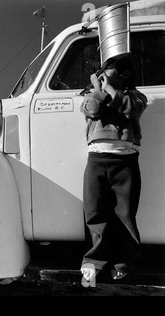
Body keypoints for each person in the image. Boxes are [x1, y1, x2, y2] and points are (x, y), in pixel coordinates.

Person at [79, 55, 147, 286]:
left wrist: (110, 88)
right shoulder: (91, 94)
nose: (113, 75)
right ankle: (93, 263)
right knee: (94, 212)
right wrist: (99, 88)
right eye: (109, 70)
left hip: (125, 160)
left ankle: (123, 263)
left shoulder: (135, 96)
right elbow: (92, 109)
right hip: (97, 158)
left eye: (119, 72)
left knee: (125, 214)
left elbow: (132, 109)